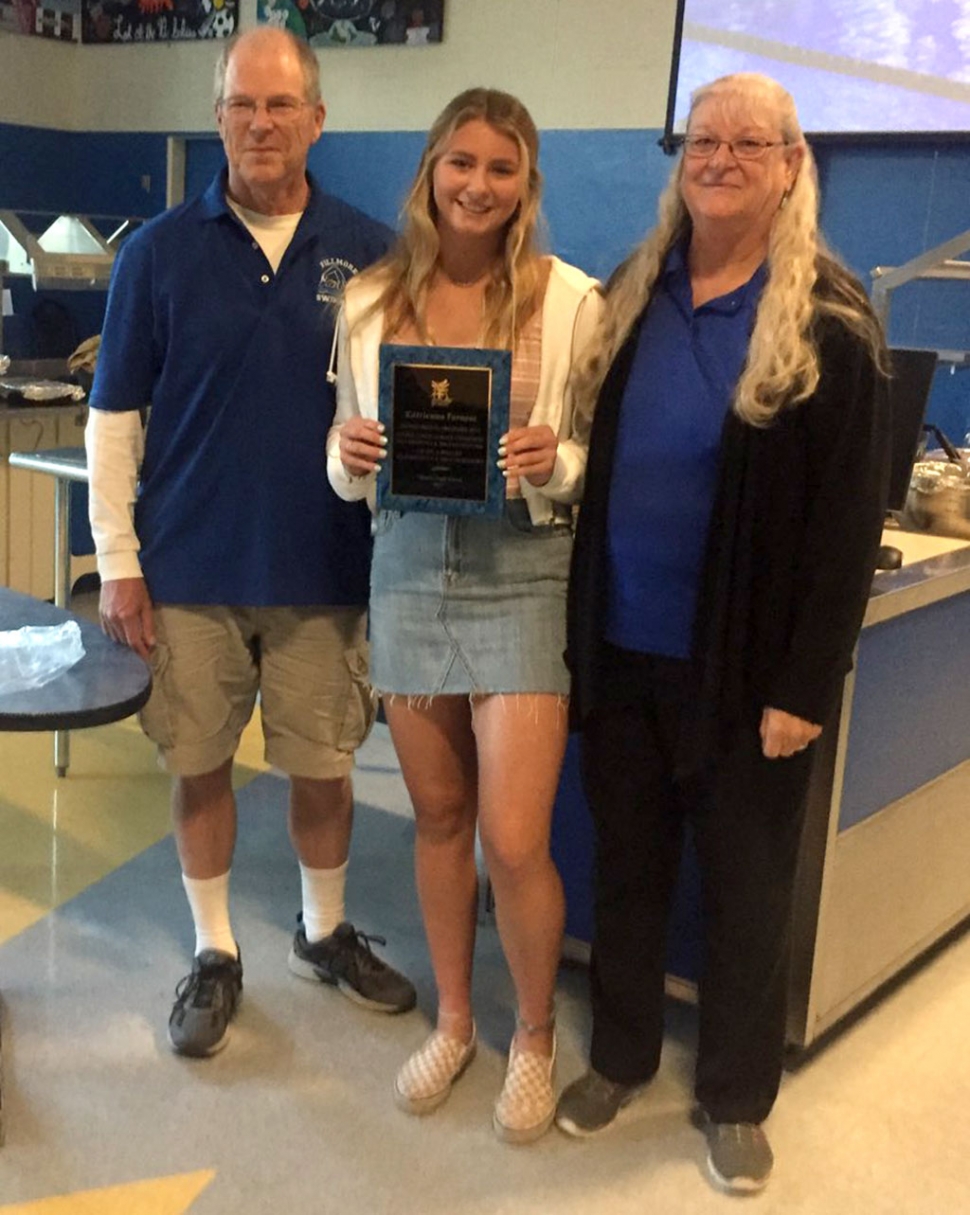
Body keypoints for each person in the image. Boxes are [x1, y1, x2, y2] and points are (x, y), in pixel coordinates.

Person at [554, 73, 889, 1192]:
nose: (723, 158)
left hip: (748, 679)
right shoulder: (637, 288)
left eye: (753, 141)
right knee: (628, 874)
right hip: (622, 651)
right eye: (705, 139)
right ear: (681, 157)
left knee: (746, 890)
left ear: (792, 164)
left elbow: (846, 529)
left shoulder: (831, 323)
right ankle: (618, 1056)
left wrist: (804, 684)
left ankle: (737, 1096)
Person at [85, 27, 416, 1060]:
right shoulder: (157, 254)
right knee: (201, 764)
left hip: (326, 569)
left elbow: (409, 408)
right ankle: (216, 950)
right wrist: (122, 563)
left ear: (317, 118)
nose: (261, 124)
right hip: (190, 570)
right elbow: (113, 421)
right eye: (242, 105)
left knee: (324, 768)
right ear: (218, 114)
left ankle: (321, 932)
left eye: (281, 105)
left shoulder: (373, 254)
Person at [327, 87, 603, 1143]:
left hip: (521, 572)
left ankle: (530, 1035)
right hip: (404, 566)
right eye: (460, 163)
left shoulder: (570, 299)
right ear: (429, 169)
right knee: (439, 819)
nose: (477, 185)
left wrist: (555, 461)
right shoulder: (368, 300)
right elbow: (344, 448)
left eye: (501, 168)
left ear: (526, 184)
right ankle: (454, 1022)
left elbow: (584, 459)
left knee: (514, 835)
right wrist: (347, 460)